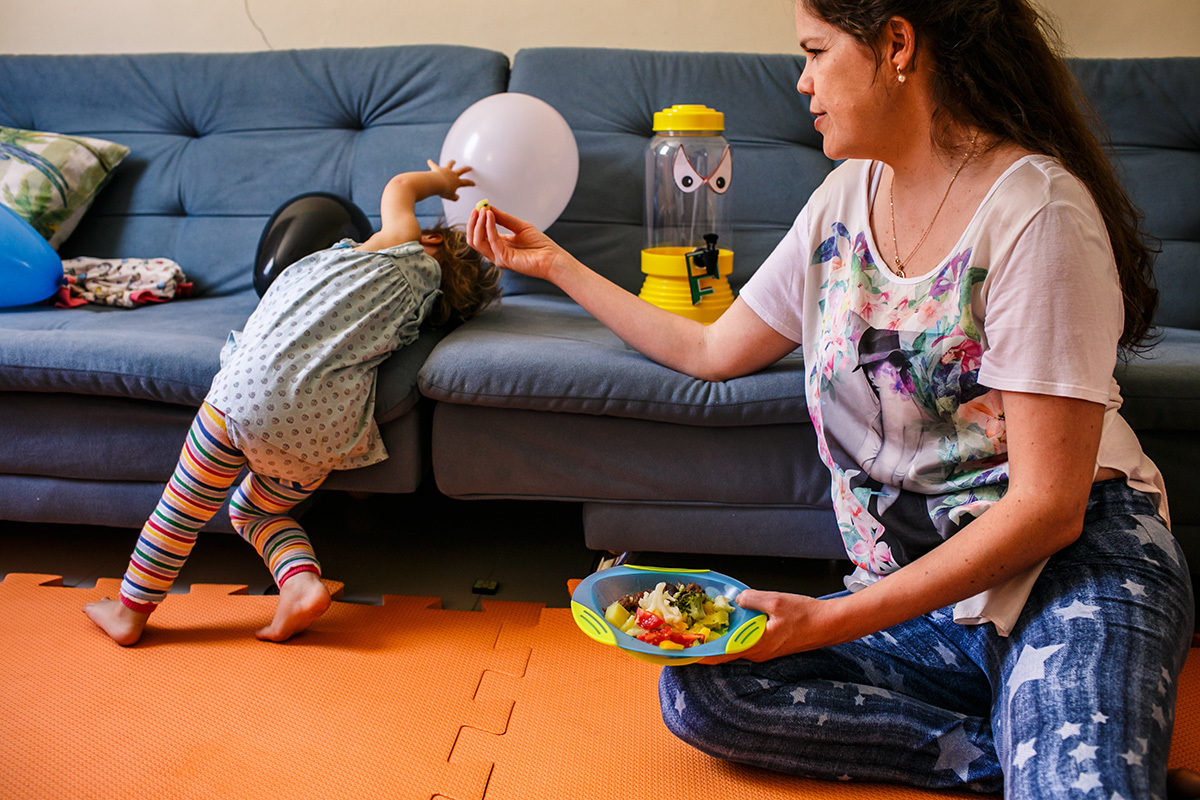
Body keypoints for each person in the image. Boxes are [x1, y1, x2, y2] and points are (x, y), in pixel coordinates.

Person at [465, 1, 1196, 795]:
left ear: (897, 44)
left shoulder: (1037, 213)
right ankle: (1029, 747)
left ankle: (1061, 745)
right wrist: (556, 266)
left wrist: (827, 621)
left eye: (815, 51)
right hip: (922, 602)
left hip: (1070, 569)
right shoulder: (842, 201)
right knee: (710, 687)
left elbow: (1048, 509)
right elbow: (713, 349)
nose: (802, 80)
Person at [84, 159, 500, 646]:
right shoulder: (417, 311)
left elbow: (401, 185)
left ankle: (130, 611)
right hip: (324, 435)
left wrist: (445, 183)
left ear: (430, 244)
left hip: (247, 399)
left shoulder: (406, 249)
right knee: (255, 513)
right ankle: (300, 583)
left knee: (180, 510)